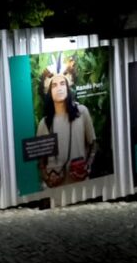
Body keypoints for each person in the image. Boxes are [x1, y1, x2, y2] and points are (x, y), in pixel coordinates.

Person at [35, 55, 96, 188]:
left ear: (68, 87)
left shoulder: (82, 112)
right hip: (55, 183)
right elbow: (40, 159)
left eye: (62, 83)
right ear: (49, 91)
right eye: (54, 85)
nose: (59, 88)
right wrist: (46, 176)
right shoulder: (44, 123)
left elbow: (92, 144)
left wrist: (87, 167)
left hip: (80, 181)